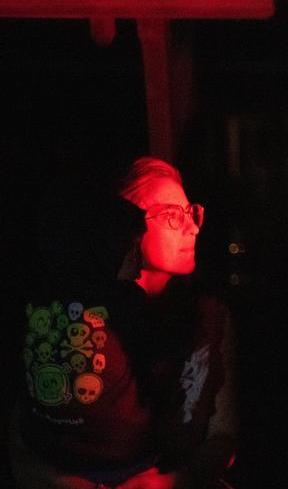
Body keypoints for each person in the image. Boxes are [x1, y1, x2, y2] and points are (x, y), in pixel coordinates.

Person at [9, 157, 238, 489]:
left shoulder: (208, 314)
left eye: (191, 213)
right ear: (122, 224)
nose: (193, 227)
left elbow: (224, 437)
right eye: (172, 216)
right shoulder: (74, 310)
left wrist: (168, 482)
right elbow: (27, 432)